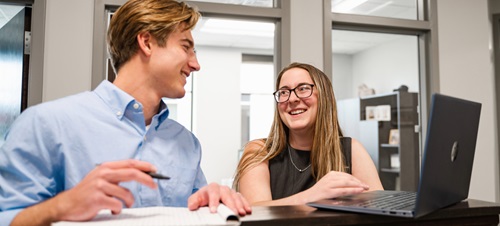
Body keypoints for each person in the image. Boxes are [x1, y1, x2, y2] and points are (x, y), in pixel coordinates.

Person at [0, 0, 251, 225]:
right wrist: (62, 206)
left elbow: (192, 212)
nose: (196, 64)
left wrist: (212, 201)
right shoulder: (45, 124)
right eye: (186, 47)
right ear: (147, 42)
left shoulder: (187, 143)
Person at [233, 62, 383, 206]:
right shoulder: (259, 151)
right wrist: (309, 197)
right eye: (284, 92)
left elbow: (379, 209)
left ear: (324, 97)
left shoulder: (351, 150)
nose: (292, 99)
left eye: (303, 88)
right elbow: (255, 211)